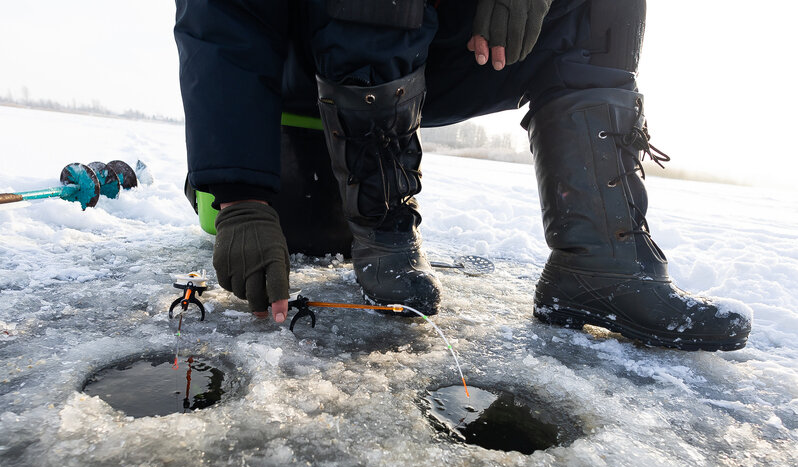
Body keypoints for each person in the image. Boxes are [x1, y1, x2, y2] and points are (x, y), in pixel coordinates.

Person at [174, 0, 752, 351]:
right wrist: (240, 194)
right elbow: (221, 22)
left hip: (428, 60)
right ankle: (384, 231)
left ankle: (599, 264)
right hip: (299, 130)